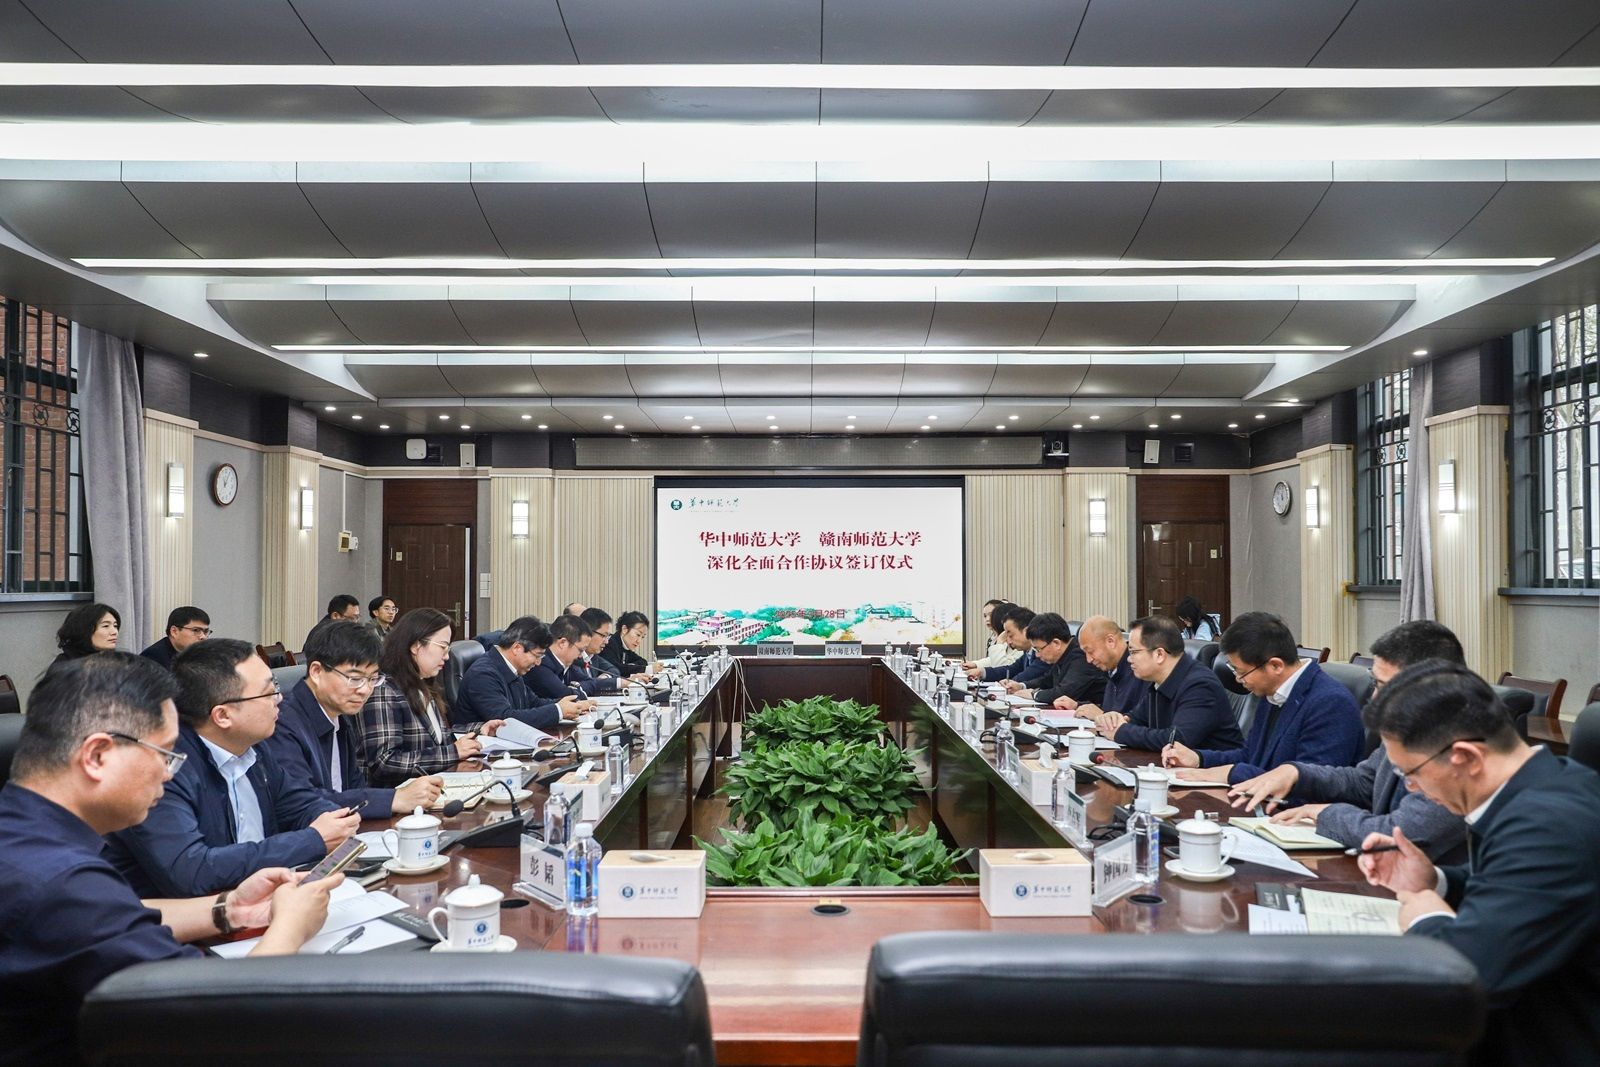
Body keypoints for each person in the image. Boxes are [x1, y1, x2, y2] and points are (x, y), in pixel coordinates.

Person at [0, 654, 339, 1066]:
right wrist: (291, 927)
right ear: (97, 756)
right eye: (164, 753)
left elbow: (117, 914)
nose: (169, 773)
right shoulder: (62, 881)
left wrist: (228, 908)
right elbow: (219, 1018)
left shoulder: (23, 830)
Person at [1358, 661, 1600, 1067]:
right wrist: (1434, 881)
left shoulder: (1549, 826)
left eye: (1411, 773)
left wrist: (1425, 917)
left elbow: (1464, 980)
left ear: (1465, 757)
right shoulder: (1552, 781)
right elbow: (1514, 887)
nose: (1412, 789)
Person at [103, 639, 359, 898]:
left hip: (262, 899)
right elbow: (193, 871)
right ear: (223, 715)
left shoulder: (254, 748)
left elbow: (298, 802)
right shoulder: (166, 769)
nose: (279, 699)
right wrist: (313, 839)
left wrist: (329, 819)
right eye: (268, 692)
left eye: (276, 686)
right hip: (192, 915)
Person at [1226, 620, 1469, 860]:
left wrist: (1327, 814)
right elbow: (1365, 781)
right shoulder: (1410, 727)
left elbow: (1396, 833)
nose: (1375, 697)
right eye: (1374, 683)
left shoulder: (1459, 753)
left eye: (1383, 685)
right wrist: (1298, 773)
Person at [263, 621, 443, 817]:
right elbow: (302, 802)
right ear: (316, 672)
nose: (365, 690)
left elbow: (354, 786)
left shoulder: (340, 715)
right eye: (355, 679)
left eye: (372, 679)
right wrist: (394, 799)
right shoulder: (283, 723)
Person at [1161, 611, 1364, 785]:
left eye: (1242, 672)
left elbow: (1308, 784)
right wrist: (1199, 758)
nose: (1238, 679)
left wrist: (1228, 774)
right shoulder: (1272, 691)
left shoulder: (1331, 703)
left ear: (1275, 666)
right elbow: (1250, 755)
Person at [359, 607, 504, 786]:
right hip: (401, 796)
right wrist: (453, 752)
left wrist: (479, 730)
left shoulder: (424, 684)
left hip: (433, 787)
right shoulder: (384, 690)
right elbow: (384, 762)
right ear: (415, 646)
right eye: (442, 647)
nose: (447, 656)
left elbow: (436, 739)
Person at [1093, 615, 1243, 752]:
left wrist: (1121, 732)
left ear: (1159, 654)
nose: (1128, 659)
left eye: (1133, 652)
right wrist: (1115, 720)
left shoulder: (1200, 685)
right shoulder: (1159, 681)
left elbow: (1176, 740)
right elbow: (1137, 719)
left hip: (1214, 771)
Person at [456, 616, 590, 729]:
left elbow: (533, 702)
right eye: (537, 655)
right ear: (517, 648)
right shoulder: (483, 675)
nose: (538, 663)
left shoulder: (511, 668)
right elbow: (505, 719)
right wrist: (558, 711)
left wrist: (569, 705)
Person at [1021, 612, 1105, 709]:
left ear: (1056, 643)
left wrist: (1034, 694)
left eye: (1039, 649)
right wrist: (1022, 686)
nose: (1037, 655)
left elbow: (1064, 693)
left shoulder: (1081, 656)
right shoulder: (1064, 653)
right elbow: (1047, 680)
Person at [1072, 616, 1148, 719]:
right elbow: (1112, 709)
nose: (1088, 660)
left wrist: (1102, 716)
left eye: (1090, 651)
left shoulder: (1141, 671)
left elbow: (1140, 720)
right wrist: (1078, 705)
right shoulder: (1110, 668)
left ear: (1110, 641)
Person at [965, 606, 1048, 690]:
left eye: (1011, 635)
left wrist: (1008, 683)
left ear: (1026, 632)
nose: (1008, 641)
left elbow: (1027, 675)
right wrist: (982, 672)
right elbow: (1010, 669)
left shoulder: (1042, 653)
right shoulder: (1027, 652)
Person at [524, 613, 594, 701]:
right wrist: (578, 692)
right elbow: (562, 694)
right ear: (562, 643)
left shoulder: (566, 663)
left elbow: (590, 682)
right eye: (580, 650)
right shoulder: (541, 663)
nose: (581, 656)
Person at [50, 601, 120, 669]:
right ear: (84, 630)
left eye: (115, 626)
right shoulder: (66, 667)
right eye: (106, 626)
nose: (114, 632)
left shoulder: (117, 662)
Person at [139, 606, 212, 670]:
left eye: (206, 631)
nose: (203, 637)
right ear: (174, 631)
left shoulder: (199, 654)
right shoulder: (153, 656)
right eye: (196, 630)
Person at [962, 599, 1019, 672]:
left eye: (991, 615)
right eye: (985, 616)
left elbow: (1002, 668)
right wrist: (975, 664)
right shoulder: (994, 638)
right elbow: (993, 659)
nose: (988, 619)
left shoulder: (1016, 642)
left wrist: (999, 642)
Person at [602, 611, 658, 678]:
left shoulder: (625, 647)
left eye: (642, 637)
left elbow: (643, 661)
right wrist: (647, 669)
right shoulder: (609, 643)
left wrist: (629, 666)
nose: (639, 641)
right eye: (638, 635)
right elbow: (616, 669)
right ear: (624, 629)